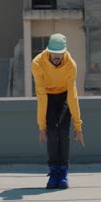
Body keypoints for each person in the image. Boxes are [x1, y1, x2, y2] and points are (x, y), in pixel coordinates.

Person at [31, 33, 85, 189]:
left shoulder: (71, 65)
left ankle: (63, 172)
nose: (57, 56)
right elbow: (41, 96)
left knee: (63, 132)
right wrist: (41, 127)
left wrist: (78, 126)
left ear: (64, 51)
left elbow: (73, 96)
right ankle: (53, 170)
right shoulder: (37, 63)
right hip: (48, 98)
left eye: (60, 53)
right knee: (52, 133)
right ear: (48, 51)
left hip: (64, 98)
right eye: (54, 53)